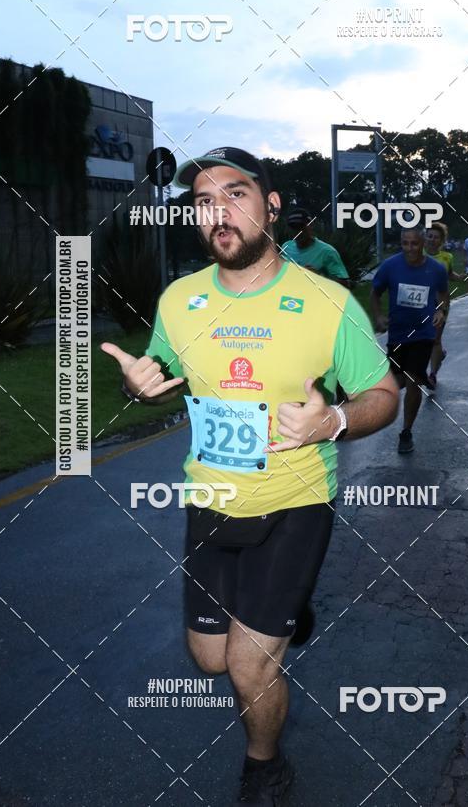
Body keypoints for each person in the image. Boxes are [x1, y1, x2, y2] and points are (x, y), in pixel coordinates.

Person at [101, 147, 399, 805]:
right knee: (207, 657)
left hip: (295, 502)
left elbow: (383, 392)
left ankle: (264, 765)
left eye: (235, 194)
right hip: (209, 504)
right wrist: (140, 385)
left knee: (245, 666)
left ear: (271, 206)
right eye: (204, 202)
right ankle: (289, 612)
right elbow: (157, 375)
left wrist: (335, 423)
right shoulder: (183, 300)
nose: (218, 212)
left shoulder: (326, 301)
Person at [370, 225, 449, 454]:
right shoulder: (390, 266)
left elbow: (444, 295)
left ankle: (406, 432)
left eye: (415, 243)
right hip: (398, 333)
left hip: (423, 333)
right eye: (405, 243)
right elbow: (375, 292)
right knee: (397, 381)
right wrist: (378, 315)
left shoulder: (436, 269)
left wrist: (441, 312)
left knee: (413, 379)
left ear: (423, 242)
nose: (410, 248)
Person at [424, 220, 462, 389]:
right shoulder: (417, 255)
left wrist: (460, 277)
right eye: (429, 236)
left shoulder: (447, 257)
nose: (432, 239)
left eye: (436, 237)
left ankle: (432, 375)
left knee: (435, 339)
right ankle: (438, 356)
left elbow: (450, 274)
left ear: (442, 240)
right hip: (420, 303)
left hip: (440, 302)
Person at [281, 207, 350, 287]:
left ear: (311, 226)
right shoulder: (286, 247)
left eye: (301, 226)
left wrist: (319, 277)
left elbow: (345, 285)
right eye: (293, 227)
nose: (298, 231)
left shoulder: (327, 252)